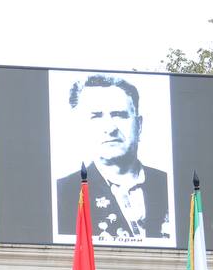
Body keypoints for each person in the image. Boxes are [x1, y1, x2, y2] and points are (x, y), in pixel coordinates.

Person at [55, 74, 170, 243]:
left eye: (119, 115)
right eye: (96, 116)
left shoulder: (169, 184)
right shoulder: (63, 193)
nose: (110, 128)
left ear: (139, 125)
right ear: (80, 127)